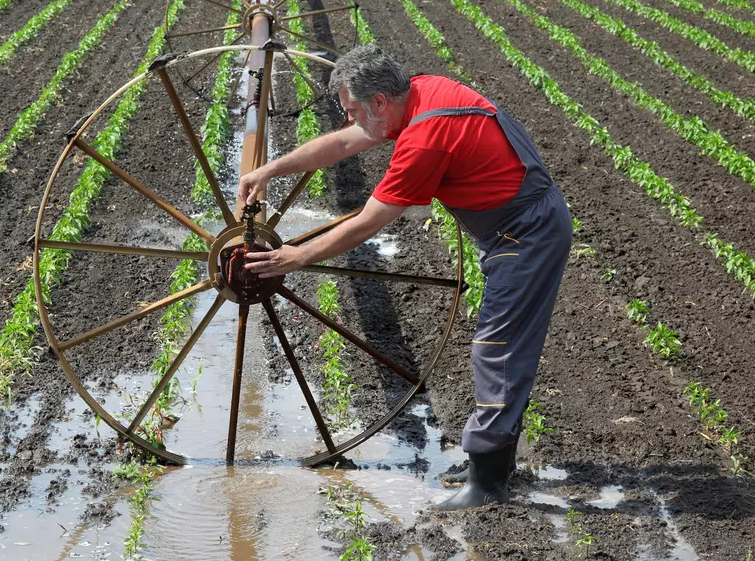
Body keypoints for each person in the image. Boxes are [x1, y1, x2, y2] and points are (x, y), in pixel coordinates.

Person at [238, 45, 572, 510]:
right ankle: (492, 461)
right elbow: (344, 142)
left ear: (379, 101)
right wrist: (272, 169)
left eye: (354, 110)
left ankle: (488, 484)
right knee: (500, 344)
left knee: (498, 347)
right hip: (515, 225)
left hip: (527, 233)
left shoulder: (426, 136)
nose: (352, 121)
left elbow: (369, 220)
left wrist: (299, 255)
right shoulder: (420, 92)